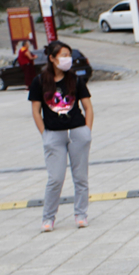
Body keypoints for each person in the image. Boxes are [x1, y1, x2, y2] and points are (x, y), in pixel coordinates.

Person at [28, 40, 93, 232]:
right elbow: (35, 111)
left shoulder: (76, 79)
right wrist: (45, 134)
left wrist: (87, 131)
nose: (67, 59)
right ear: (52, 58)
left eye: (69, 55)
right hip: (53, 135)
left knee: (80, 177)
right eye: (63, 55)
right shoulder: (39, 82)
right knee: (55, 178)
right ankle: (48, 218)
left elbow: (88, 107)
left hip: (77, 132)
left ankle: (81, 214)